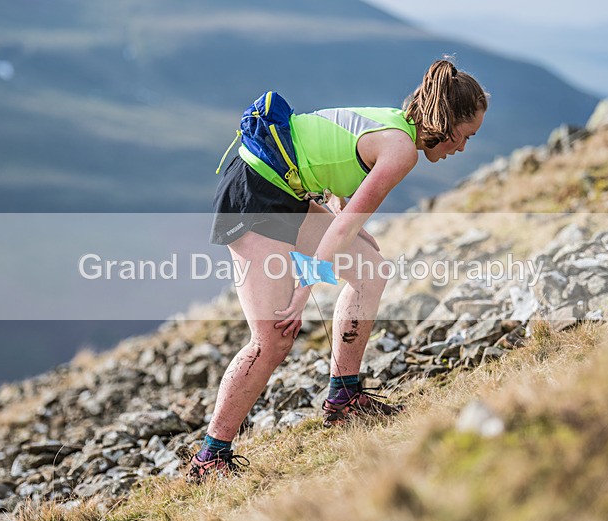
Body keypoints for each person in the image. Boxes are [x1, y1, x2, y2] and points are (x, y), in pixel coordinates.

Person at [188, 58, 488, 482]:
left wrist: (342, 235)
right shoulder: (401, 151)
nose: (462, 148)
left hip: (286, 186)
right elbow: (345, 224)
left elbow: (334, 176)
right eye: (465, 136)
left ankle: (343, 399)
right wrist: (303, 290)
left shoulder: (395, 127)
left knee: (369, 269)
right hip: (255, 192)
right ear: (445, 121)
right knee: (273, 338)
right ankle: (209, 459)